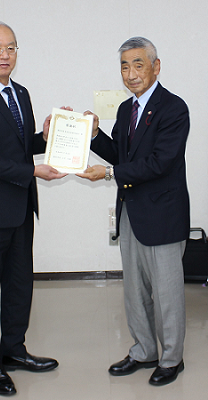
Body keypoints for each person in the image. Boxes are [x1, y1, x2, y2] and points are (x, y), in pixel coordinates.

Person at [0, 21, 69, 396]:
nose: (5, 55)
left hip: (21, 208)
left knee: (19, 286)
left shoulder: (21, 93)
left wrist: (46, 136)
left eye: (11, 48)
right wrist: (32, 170)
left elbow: (19, 147)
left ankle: (14, 351)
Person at [78, 37, 190, 386]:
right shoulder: (127, 110)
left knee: (167, 293)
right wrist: (95, 135)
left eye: (138, 64)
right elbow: (121, 156)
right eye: (125, 66)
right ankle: (144, 350)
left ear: (156, 66)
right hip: (131, 214)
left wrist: (109, 174)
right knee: (135, 291)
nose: (130, 73)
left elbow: (158, 163)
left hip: (163, 216)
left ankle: (171, 358)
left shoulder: (173, 108)